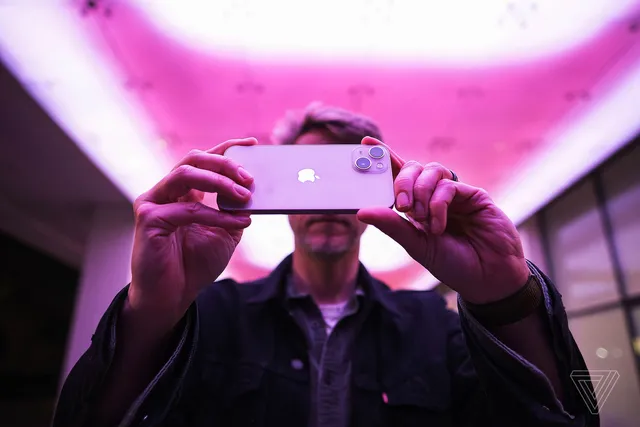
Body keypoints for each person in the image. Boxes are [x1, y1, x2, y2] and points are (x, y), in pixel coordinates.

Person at [53, 103, 597, 427]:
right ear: (282, 194)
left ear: (383, 188)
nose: (329, 201)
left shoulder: (436, 325)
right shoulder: (211, 317)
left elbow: (571, 415)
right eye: (308, 178)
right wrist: (151, 313)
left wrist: (507, 298)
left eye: (348, 177)